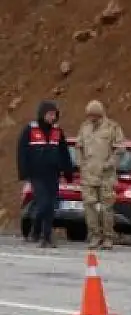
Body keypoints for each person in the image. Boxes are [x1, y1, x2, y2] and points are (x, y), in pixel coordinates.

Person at [16, 100, 73, 247]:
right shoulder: (30, 129)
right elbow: (22, 152)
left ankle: (45, 236)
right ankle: (37, 229)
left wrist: (68, 172)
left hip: (53, 174)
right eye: (49, 114)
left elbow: (64, 152)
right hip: (37, 174)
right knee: (43, 203)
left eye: (54, 114)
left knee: (51, 205)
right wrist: (23, 172)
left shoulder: (57, 131)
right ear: (42, 114)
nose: (52, 117)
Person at [75, 100, 126, 250]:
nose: (92, 119)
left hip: (106, 176)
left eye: (94, 116)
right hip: (88, 174)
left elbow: (120, 148)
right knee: (89, 206)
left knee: (106, 208)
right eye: (89, 116)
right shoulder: (84, 127)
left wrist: (110, 163)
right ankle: (94, 235)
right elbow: (79, 147)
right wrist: (80, 163)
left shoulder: (112, 127)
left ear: (100, 114)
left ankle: (108, 237)